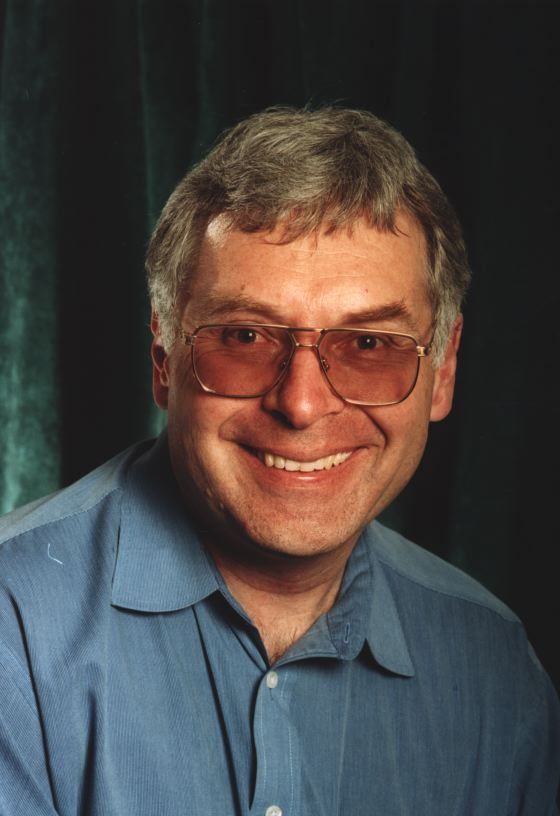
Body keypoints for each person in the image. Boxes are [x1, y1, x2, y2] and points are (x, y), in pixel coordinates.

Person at [0, 107, 558, 816]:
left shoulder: (497, 670)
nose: (301, 404)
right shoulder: (12, 626)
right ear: (163, 358)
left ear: (442, 371)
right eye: (245, 336)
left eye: (369, 345)